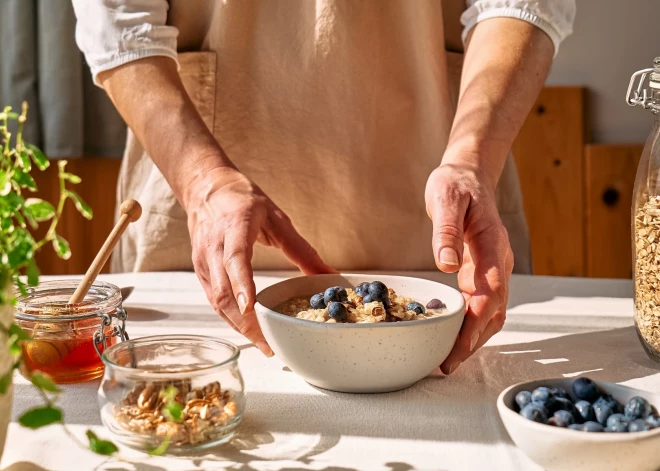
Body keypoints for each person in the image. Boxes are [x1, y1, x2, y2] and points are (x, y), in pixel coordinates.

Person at [72, 0, 575, 374]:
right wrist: (204, 180)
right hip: (200, 223)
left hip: (441, 206)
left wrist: (471, 161)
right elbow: (119, 24)